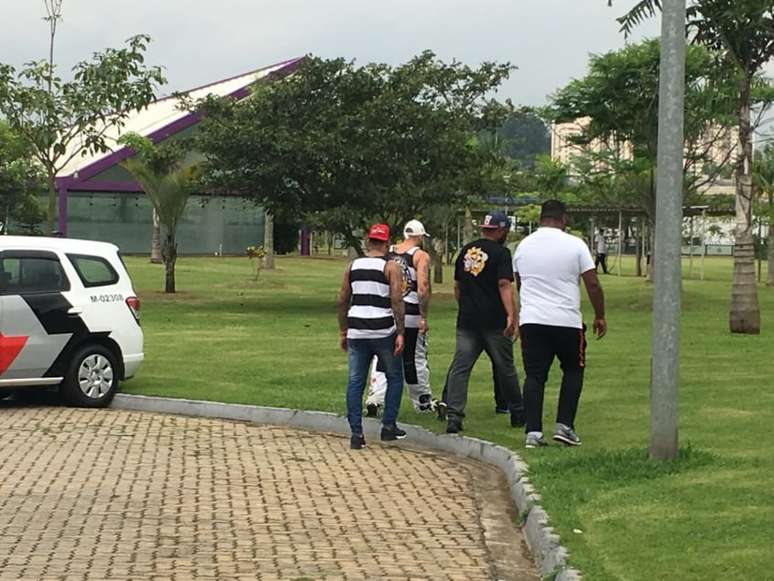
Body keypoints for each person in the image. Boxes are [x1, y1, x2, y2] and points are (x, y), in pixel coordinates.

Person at [512, 200, 607, 449]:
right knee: (573, 370)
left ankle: (533, 432)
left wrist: (530, 307)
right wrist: (600, 315)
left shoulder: (523, 246)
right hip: (566, 321)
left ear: (541, 217)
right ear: (563, 218)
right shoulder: (575, 245)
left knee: (534, 375)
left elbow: (520, 282)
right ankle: (564, 426)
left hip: (532, 320)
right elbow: (592, 283)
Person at [444, 211, 525, 434]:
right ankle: (518, 411)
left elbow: (458, 286)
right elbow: (503, 284)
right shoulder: (501, 253)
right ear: (500, 230)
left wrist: (466, 307)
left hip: (468, 320)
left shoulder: (466, 251)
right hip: (494, 320)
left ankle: (454, 416)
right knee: (505, 368)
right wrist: (512, 314)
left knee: (461, 368)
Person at [336, 223, 407, 450]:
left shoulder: (353, 266)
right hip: (383, 328)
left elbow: (342, 299)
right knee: (395, 376)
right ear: (386, 243)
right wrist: (401, 332)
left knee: (355, 381)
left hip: (357, 328)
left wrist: (343, 330)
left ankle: (356, 433)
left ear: (368, 242)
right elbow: (396, 300)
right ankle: (388, 425)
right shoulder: (390, 266)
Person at [365, 220, 441, 416]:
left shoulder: (388, 251)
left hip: (388, 313)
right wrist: (424, 316)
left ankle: (375, 397)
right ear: (420, 237)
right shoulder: (420, 256)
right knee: (415, 358)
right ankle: (422, 401)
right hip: (411, 314)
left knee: (382, 356)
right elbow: (422, 287)